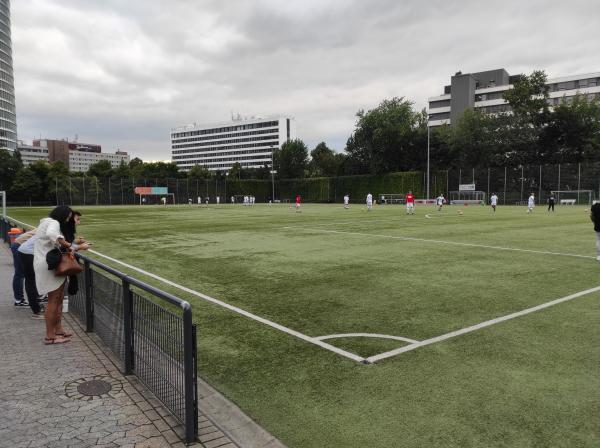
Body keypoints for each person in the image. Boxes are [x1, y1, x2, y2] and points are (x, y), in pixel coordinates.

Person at [33, 206, 80, 345]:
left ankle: (58, 329)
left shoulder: (45, 221)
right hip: (49, 265)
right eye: (67, 216)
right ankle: (50, 336)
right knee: (53, 300)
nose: (68, 219)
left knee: (58, 299)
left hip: (46, 263)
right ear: (62, 215)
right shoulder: (53, 223)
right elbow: (52, 234)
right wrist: (67, 244)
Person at [16, 230, 45, 319]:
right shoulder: (53, 228)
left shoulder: (47, 228)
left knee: (31, 279)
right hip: (27, 253)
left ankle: (36, 306)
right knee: (30, 280)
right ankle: (36, 311)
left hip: (25, 251)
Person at [10, 230, 27, 307]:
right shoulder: (52, 228)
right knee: (20, 274)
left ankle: (19, 299)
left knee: (20, 273)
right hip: (19, 246)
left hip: (18, 245)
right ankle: (19, 300)